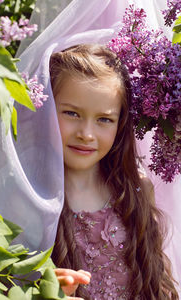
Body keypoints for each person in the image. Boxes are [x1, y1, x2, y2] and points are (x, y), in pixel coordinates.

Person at [49, 44, 178, 299]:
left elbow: (155, 280)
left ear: (120, 123)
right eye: (71, 113)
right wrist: (45, 288)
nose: (86, 134)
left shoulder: (135, 189)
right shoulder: (32, 197)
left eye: (104, 119)